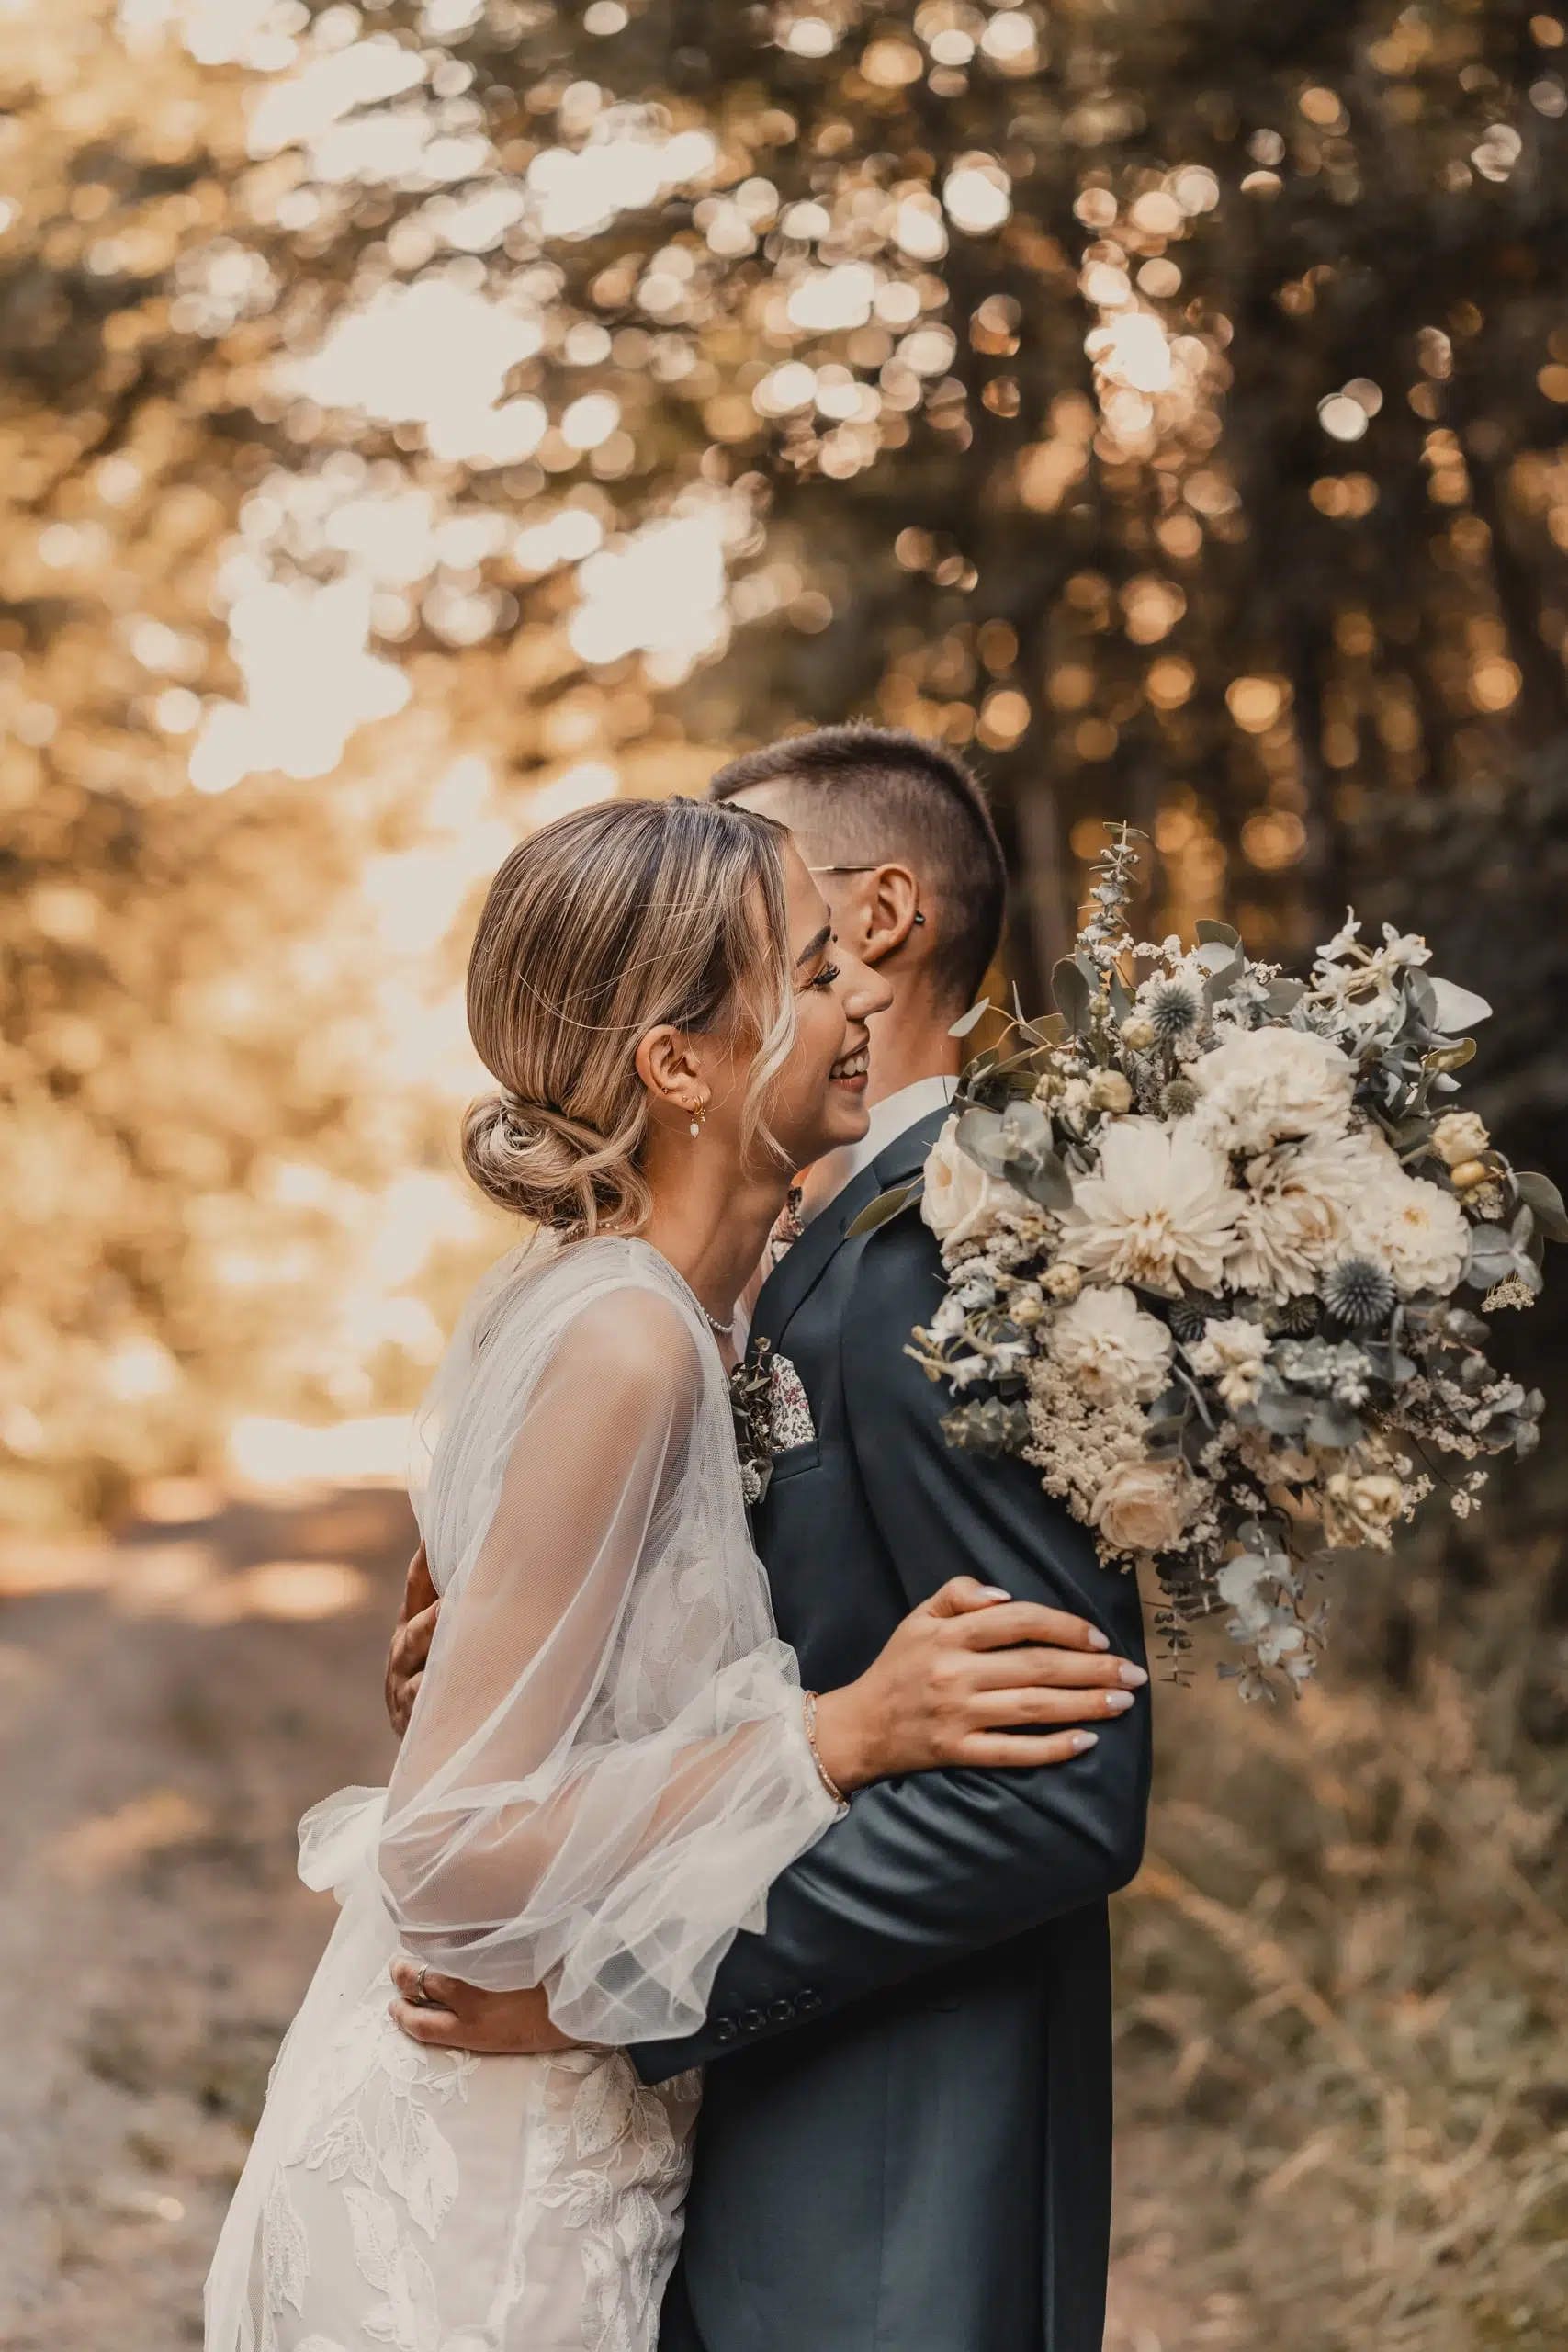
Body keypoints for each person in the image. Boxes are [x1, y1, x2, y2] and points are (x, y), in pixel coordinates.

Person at [207, 791, 1143, 2352]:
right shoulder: (629, 1333)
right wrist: (828, 1736)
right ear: (679, 1065)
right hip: (490, 2190)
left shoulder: (683, 1307)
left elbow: (536, 1686)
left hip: (592, 2136)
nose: (863, 999)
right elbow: (446, 1847)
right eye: (811, 967)